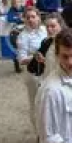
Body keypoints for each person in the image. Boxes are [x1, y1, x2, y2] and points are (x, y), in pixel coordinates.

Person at [28, 13, 66, 143]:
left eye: (54, 26)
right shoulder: (46, 42)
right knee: (47, 129)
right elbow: (39, 67)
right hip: (46, 86)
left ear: (60, 25)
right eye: (48, 26)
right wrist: (39, 60)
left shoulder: (66, 44)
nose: (50, 29)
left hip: (60, 91)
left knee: (59, 130)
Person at [17, 7, 48, 135]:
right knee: (36, 102)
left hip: (48, 70)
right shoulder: (22, 37)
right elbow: (21, 59)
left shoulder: (45, 30)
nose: (30, 20)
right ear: (24, 19)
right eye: (28, 17)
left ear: (38, 18)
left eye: (33, 16)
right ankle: (39, 133)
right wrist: (35, 56)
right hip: (33, 73)